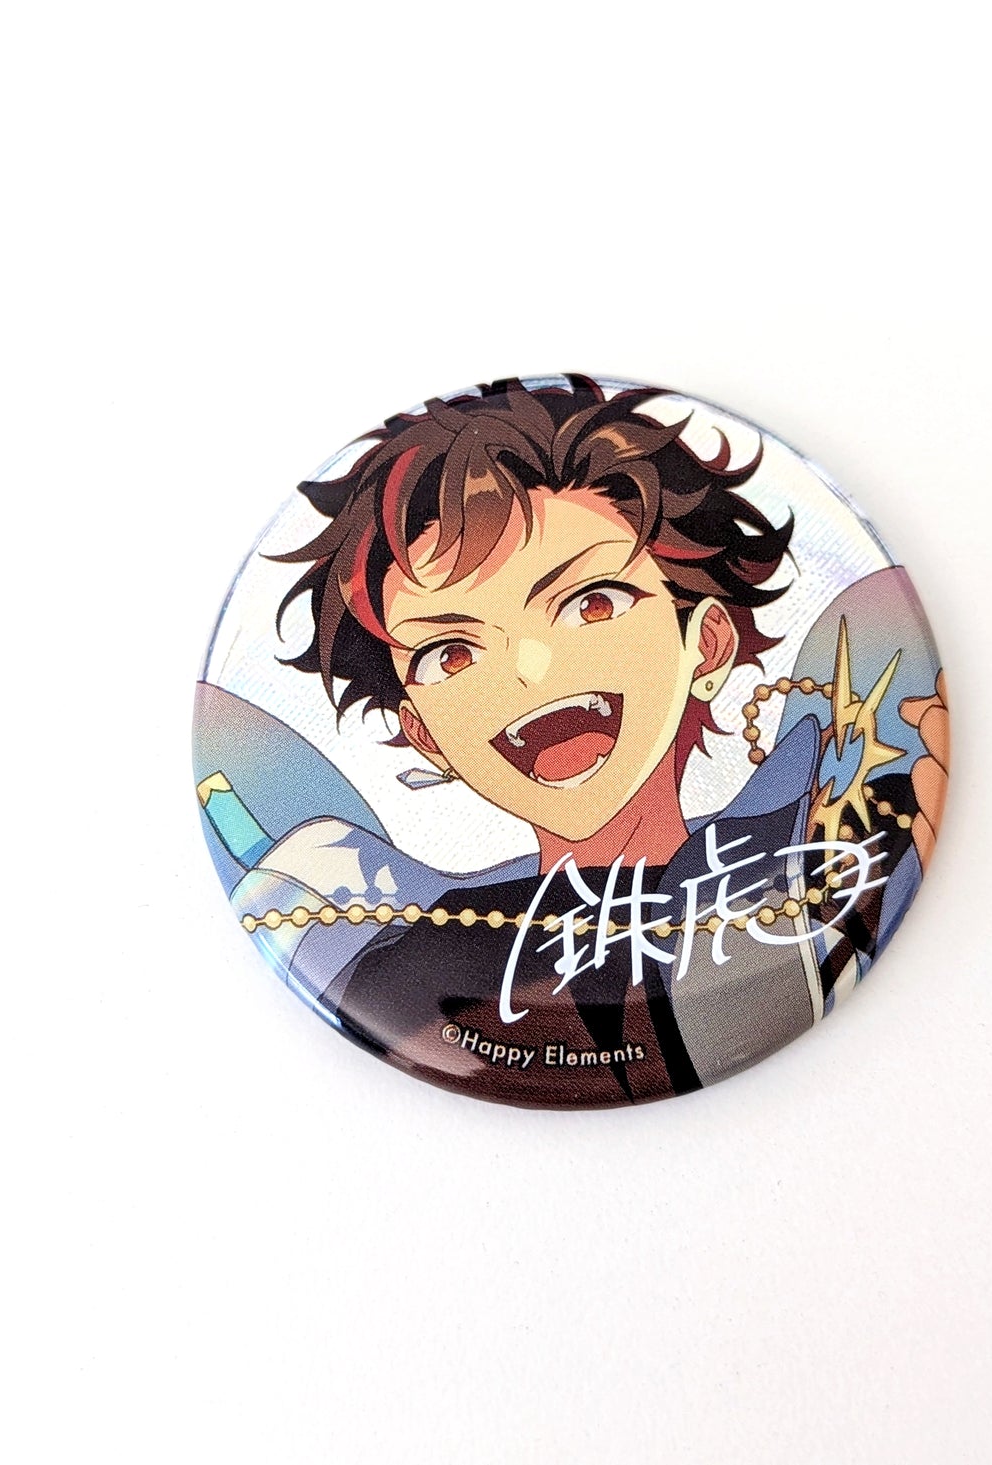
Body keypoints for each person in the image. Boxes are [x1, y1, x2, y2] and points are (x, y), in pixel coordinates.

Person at [253, 375, 947, 1106]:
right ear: (426, 736)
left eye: (591, 603)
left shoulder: (827, 854)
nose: (530, 670)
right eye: (450, 654)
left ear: (707, 645)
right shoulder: (411, 970)